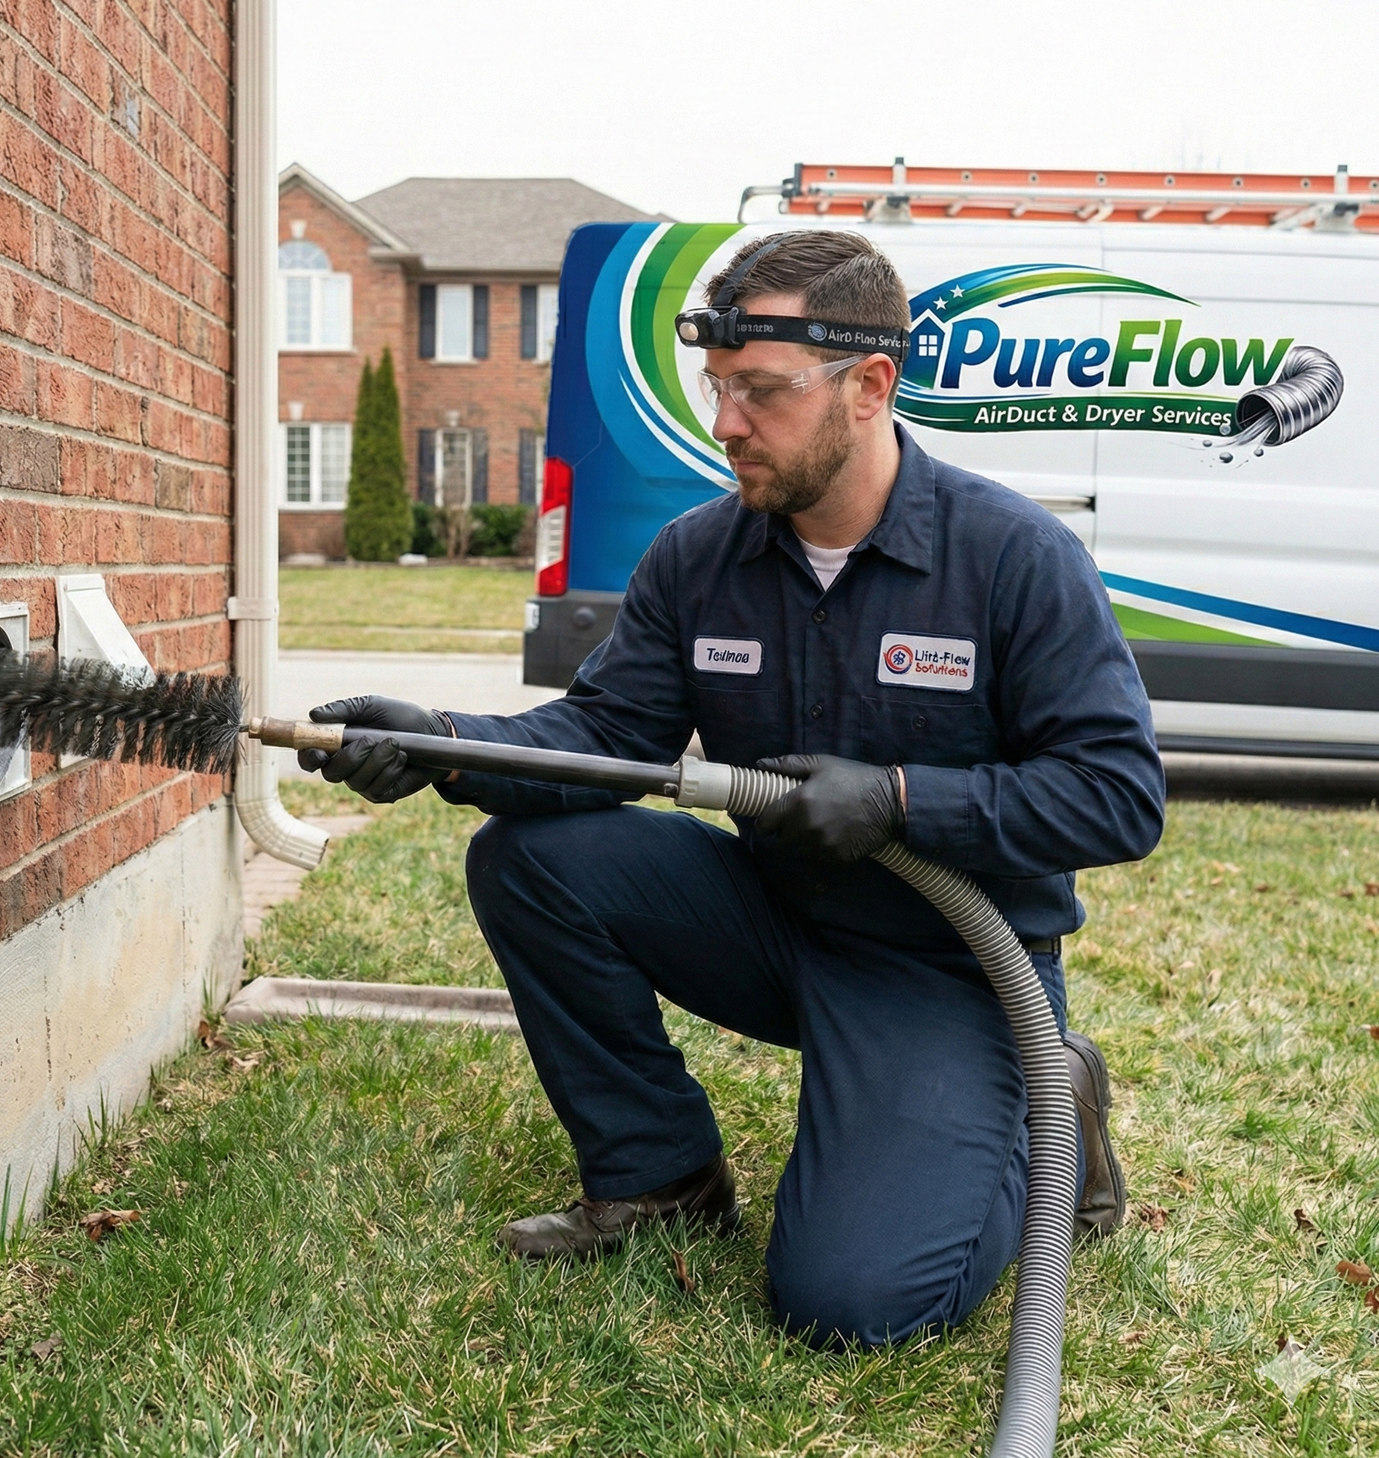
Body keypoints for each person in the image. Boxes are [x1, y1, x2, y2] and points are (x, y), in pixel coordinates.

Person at [302, 229, 1165, 1349]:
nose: (725, 425)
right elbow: (608, 730)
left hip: (949, 968)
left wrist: (900, 800)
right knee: (532, 861)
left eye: (759, 393)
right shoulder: (699, 557)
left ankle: (1049, 1103)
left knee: (850, 1307)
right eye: (718, 390)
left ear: (868, 385)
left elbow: (1114, 795)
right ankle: (659, 1175)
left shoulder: (1010, 558)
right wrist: (449, 744)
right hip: (773, 924)